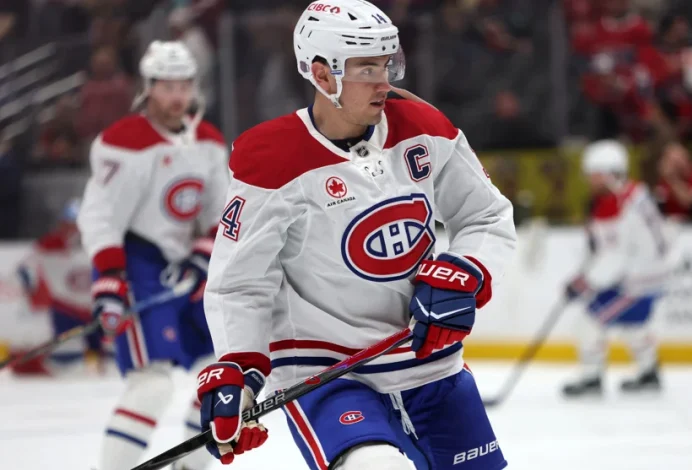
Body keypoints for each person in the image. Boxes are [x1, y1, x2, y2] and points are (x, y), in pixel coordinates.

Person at [194, 1, 516, 470]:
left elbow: (486, 215)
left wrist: (466, 270)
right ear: (322, 76)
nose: (384, 81)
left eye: (387, 64)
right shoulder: (272, 160)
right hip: (328, 375)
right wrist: (239, 369)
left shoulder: (425, 128)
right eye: (367, 68)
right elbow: (240, 282)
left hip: (431, 365)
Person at [77, 40, 228, 470]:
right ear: (149, 88)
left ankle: (190, 467)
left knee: (223, 373)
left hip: (187, 267)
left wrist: (201, 258)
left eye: (184, 85)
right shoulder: (124, 142)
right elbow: (101, 217)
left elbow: (222, 214)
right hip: (135, 267)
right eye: (167, 86)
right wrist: (109, 282)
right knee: (153, 385)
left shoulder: (209, 141)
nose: (177, 96)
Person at [562, 140, 670, 398]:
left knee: (588, 321)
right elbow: (608, 250)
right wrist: (587, 276)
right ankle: (649, 372)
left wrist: (585, 282)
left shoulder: (624, 205)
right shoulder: (632, 196)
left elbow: (617, 255)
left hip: (637, 283)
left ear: (609, 173)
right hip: (645, 278)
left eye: (594, 174)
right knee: (632, 324)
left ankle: (591, 378)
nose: (590, 180)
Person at [13, 198, 103, 375]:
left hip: (98, 309)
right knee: (64, 361)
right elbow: (25, 268)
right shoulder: (50, 245)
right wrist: (29, 283)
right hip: (66, 310)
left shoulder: (102, 242)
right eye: (72, 223)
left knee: (110, 357)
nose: (76, 229)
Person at [654, 142, 692, 222]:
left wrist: (672, 179)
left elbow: (688, 202)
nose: (672, 166)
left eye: (675, 161)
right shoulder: (665, 181)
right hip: (671, 226)